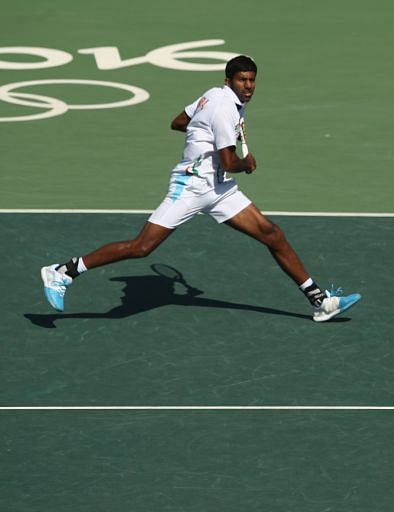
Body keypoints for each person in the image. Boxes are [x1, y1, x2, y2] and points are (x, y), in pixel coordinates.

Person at [40, 55, 360, 323]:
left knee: (271, 234)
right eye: (242, 81)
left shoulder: (215, 96)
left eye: (252, 80)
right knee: (142, 247)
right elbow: (228, 160)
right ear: (228, 80)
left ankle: (320, 302)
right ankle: (63, 272)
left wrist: (200, 135)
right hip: (191, 186)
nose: (248, 87)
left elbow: (179, 121)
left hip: (219, 190)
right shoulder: (224, 109)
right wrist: (246, 164)